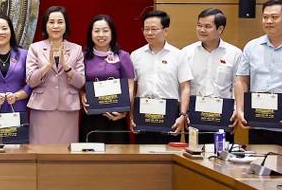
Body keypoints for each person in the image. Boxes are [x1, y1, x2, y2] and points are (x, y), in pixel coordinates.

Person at [234, 0, 282, 148]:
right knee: (256, 169)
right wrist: (240, 109)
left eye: (274, 17)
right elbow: (241, 80)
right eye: (265, 17)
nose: (268, 21)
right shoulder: (251, 47)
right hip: (257, 123)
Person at [130, 10, 192, 144]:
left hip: (170, 115)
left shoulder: (178, 55)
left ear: (166, 31)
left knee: (168, 157)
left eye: (154, 29)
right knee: (144, 156)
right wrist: (131, 116)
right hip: (143, 114)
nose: (149, 33)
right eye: (146, 29)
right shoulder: (135, 55)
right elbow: (132, 88)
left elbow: (185, 87)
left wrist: (182, 114)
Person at [25, 6, 85, 144]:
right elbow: (31, 81)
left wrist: (66, 65)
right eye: (51, 22)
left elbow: (80, 82)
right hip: (42, 107)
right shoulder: (35, 48)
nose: (56, 26)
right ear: (45, 25)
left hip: (68, 108)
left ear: (66, 25)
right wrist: (48, 64)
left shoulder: (76, 49)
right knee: (41, 150)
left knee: (66, 153)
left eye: (60, 22)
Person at [181, 8, 241, 142]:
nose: (201, 30)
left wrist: (237, 110)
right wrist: (183, 112)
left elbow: (237, 85)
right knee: (193, 156)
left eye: (207, 26)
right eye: (199, 25)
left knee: (221, 157)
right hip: (194, 116)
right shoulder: (186, 53)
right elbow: (183, 86)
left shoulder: (234, 54)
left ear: (220, 29)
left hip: (223, 116)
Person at [80, 14, 135, 144]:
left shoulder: (123, 56)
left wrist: (124, 112)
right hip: (91, 117)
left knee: (116, 158)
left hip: (116, 116)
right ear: (91, 34)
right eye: (96, 31)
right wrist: (81, 95)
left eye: (105, 30)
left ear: (112, 33)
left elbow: (130, 86)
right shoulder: (83, 57)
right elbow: (75, 84)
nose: (101, 35)